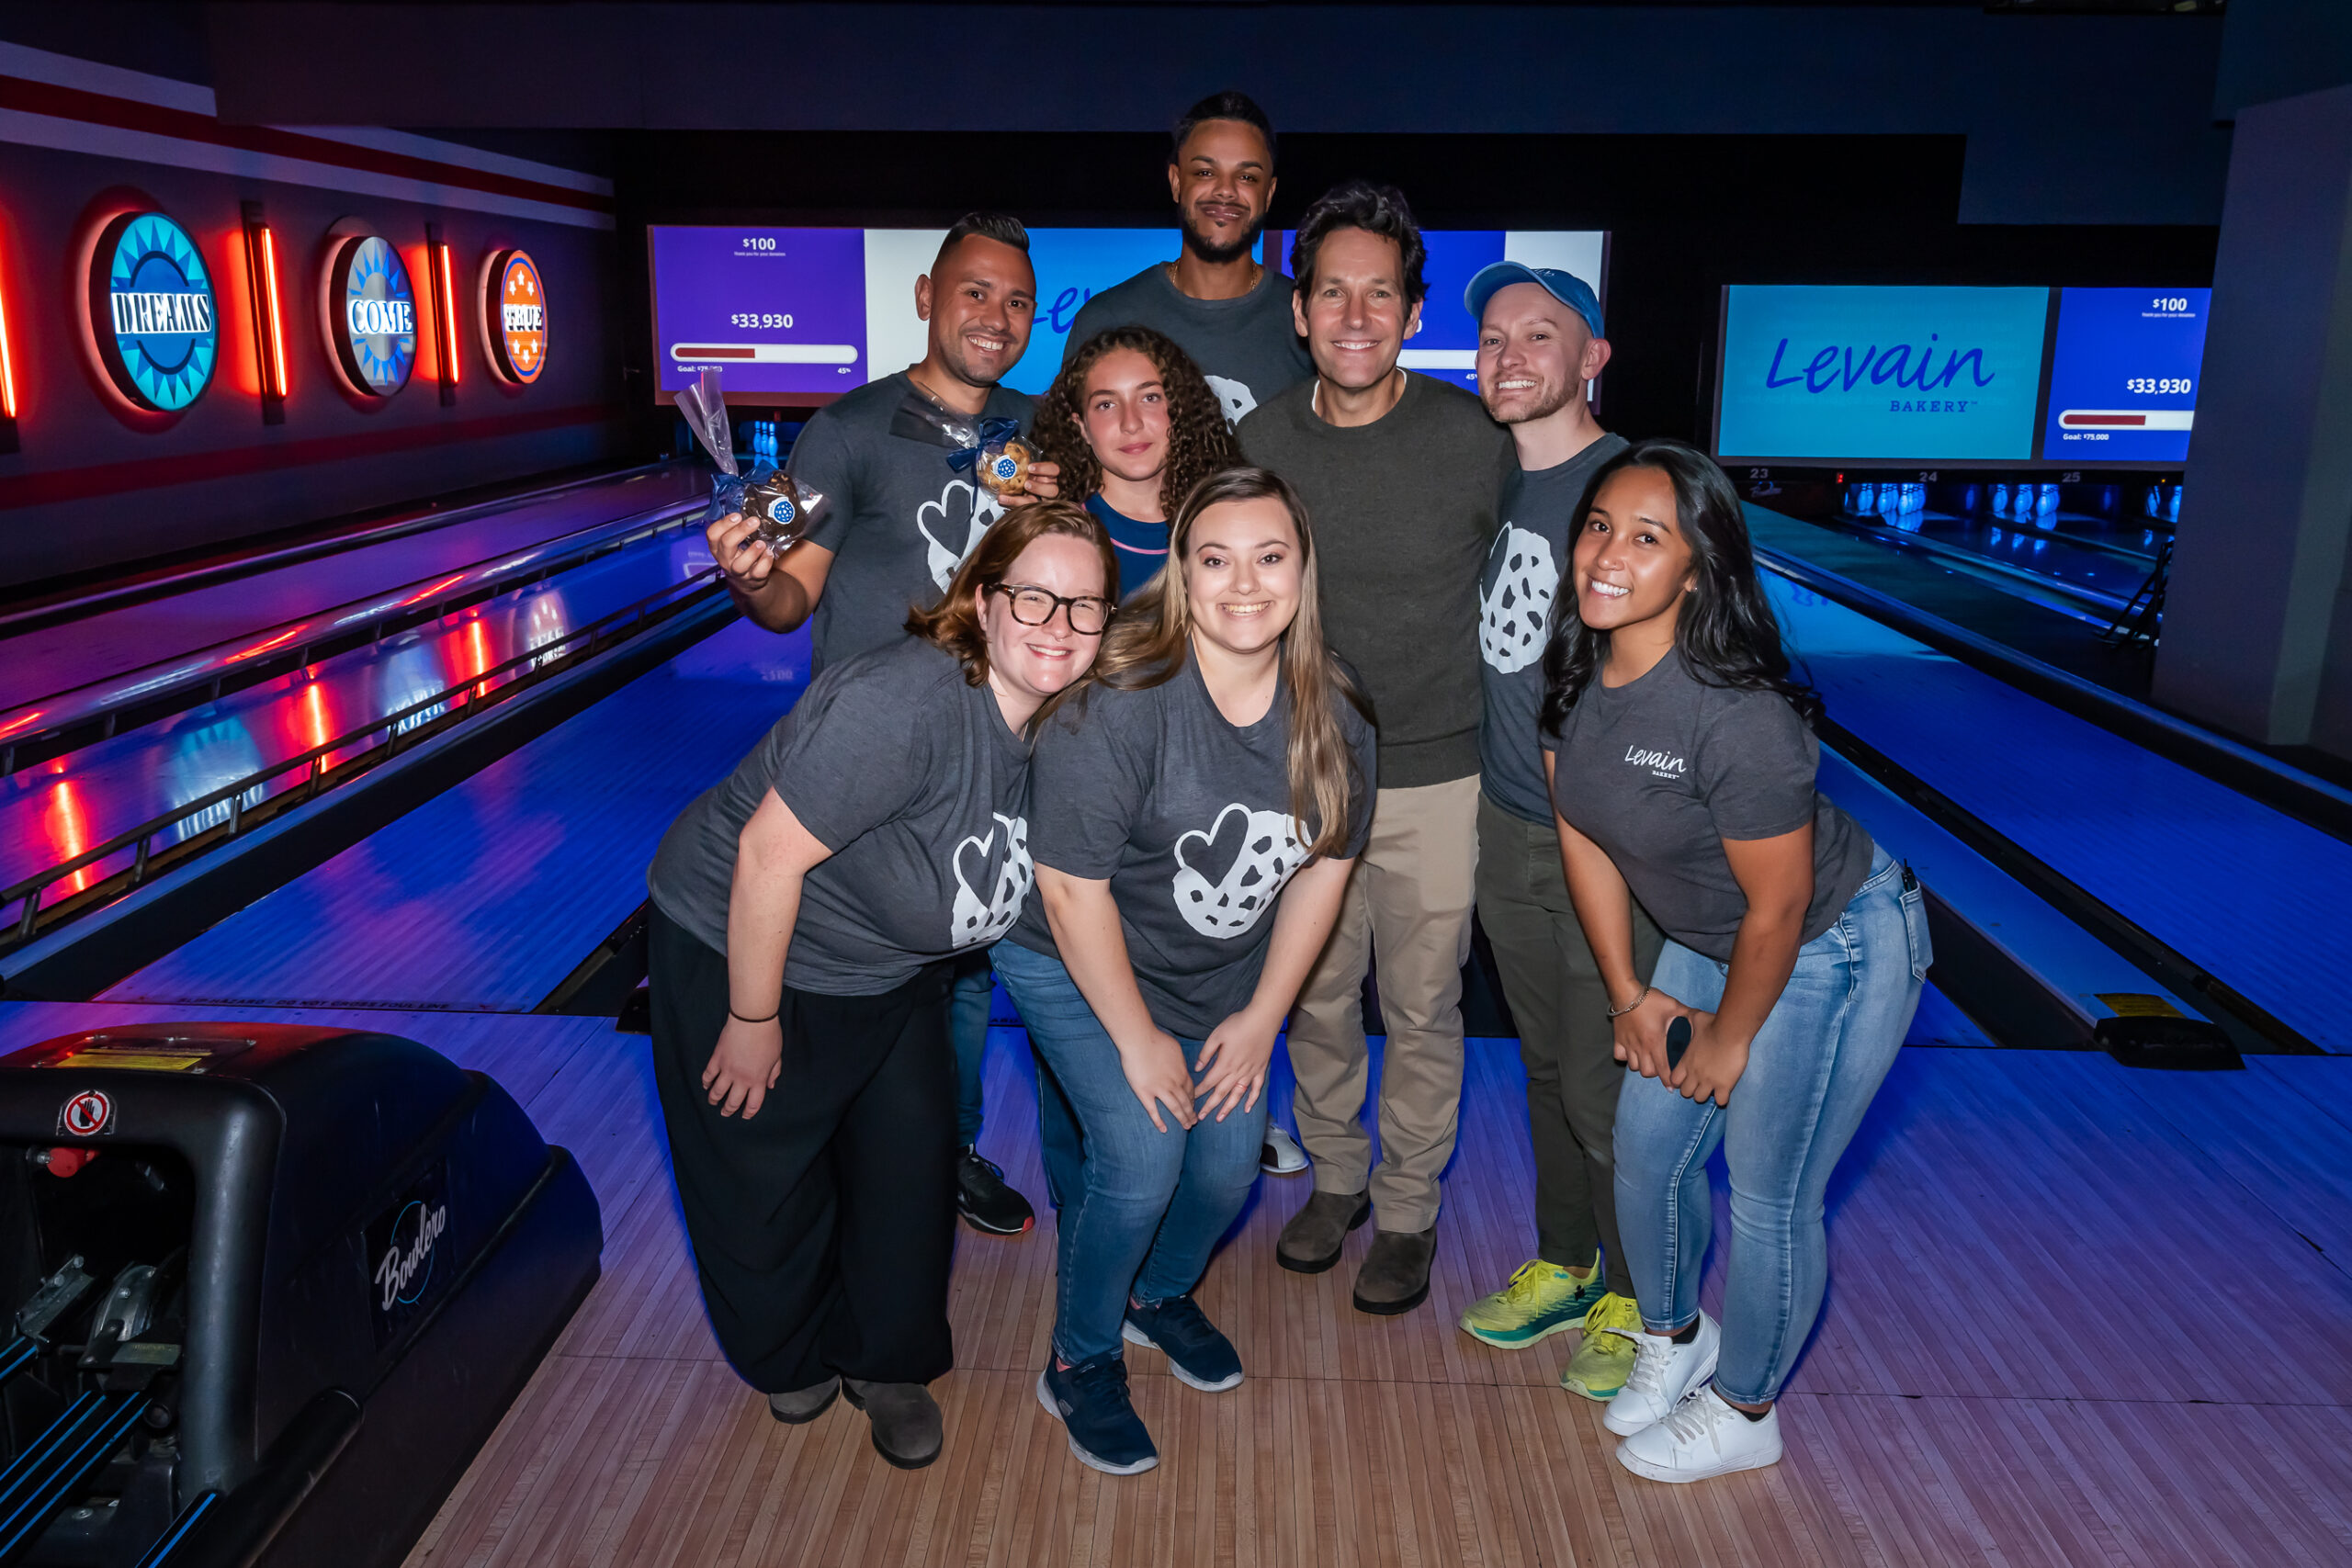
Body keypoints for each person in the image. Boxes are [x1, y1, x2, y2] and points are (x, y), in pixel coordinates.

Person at [643, 502, 1115, 1471]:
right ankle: (786, 1357)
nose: (1057, 626)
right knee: (759, 1174)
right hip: (744, 943)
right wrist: (751, 1014)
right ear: (982, 603)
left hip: (892, 969)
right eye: (1033, 598)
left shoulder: (1068, 726)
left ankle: (888, 1363)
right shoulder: (903, 703)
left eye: (1085, 607)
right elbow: (766, 856)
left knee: (907, 1163)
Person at [1537, 441, 1928, 1483]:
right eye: (1597, 526)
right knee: (1648, 1147)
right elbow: (1581, 834)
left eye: (1647, 537)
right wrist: (1629, 994)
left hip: (1831, 947)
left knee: (1767, 1193)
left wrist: (1731, 1036)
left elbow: (1782, 904)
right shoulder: (1576, 669)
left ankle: (1748, 1409)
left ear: (1698, 569)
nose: (1608, 554)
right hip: (1712, 941)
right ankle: (1671, 1339)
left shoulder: (1738, 715)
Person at [998, 467, 1375, 1475]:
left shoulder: (1335, 714)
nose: (1242, 583)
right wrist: (1136, 1039)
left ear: (1302, 572)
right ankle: (1078, 1362)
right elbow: (1071, 892)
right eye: (1215, 558)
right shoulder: (1119, 702)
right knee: (1142, 1155)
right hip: (1072, 958)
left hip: (1217, 981)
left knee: (1222, 1167)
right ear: (1180, 573)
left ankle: (1152, 1298)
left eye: (1268, 556)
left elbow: (1324, 869)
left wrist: (1263, 1017)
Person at [704, 210, 1061, 1240]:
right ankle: (892, 1163)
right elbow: (790, 601)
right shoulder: (850, 431)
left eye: (1017, 301)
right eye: (974, 292)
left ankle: (939, 1152)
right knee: (900, 982)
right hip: (878, 764)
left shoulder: (1039, 431)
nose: (995, 316)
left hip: (1005, 753)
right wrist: (748, 576)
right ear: (925, 299)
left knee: (976, 967)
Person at [1236, 180, 1512, 1315]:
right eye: (1332, 292)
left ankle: (1406, 1209)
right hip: (1304, 775)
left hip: (1439, 775)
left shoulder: (1471, 440)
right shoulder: (1261, 441)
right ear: (1298, 310)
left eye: (1381, 293)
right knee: (1313, 997)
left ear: (1411, 309)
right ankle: (1335, 1178)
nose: (1356, 314)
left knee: (1425, 1005)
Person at [1453, 264, 1666, 1404]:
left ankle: (1645, 1295)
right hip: (1504, 826)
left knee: (1609, 1089)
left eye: (1540, 334)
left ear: (1592, 358)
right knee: (1546, 1069)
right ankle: (1568, 1261)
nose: (1510, 355)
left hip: (1604, 846)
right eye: (1491, 336)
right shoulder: (1498, 478)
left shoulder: (1630, 485)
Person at [1063, 91, 1312, 427]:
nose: (1226, 191)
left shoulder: (1308, 322)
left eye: (1247, 177)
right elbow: (1072, 458)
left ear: (1268, 194)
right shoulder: (1107, 320)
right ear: (1177, 182)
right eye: (1205, 173)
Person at [1031, 324, 1242, 603]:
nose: (1131, 423)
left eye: (1150, 398)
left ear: (1180, 410)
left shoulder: (1229, 520)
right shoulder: (1055, 530)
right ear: (1081, 426)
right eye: (1106, 404)